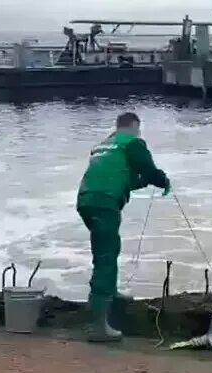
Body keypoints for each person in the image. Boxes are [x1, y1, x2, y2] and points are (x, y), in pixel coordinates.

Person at [76, 112, 170, 342]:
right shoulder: (132, 143)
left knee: (108, 249)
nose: (139, 134)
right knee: (105, 258)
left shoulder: (104, 146)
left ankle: (111, 294)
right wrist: (162, 180)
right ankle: (97, 327)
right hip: (105, 202)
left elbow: (124, 179)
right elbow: (148, 169)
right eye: (138, 130)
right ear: (133, 128)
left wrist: (145, 181)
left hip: (87, 200)